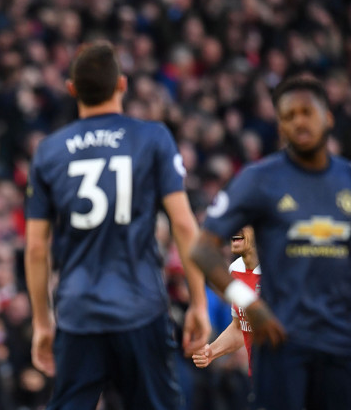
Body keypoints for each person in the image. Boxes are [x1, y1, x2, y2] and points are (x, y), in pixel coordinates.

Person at [24, 41, 210, 409]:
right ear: (122, 85)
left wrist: (43, 323)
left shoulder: (49, 150)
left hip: (78, 313)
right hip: (140, 307)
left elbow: (35, 248)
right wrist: (199, 304)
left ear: (71, 89)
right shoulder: (153, 137)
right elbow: (185, 226)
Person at [191, 76, 351, 409]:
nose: (299, 121)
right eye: (289, 116)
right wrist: (249, 303)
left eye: (307, 112)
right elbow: (202, 249)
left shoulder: (347, 179)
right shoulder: (259, 179)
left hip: (341, 343)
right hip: (283, 342)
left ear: (328, 118)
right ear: (279, 126)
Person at [192, 226, 260, 374]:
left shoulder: (275, 271)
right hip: (255, 378)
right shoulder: (235, 270)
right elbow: (239, 328)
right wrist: (211, 351)